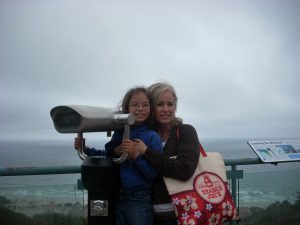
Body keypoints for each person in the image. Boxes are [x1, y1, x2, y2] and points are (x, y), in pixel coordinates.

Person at [74, 86, 163, 225]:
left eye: (145, 105)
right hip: (117, 194)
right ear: (127, 108)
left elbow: (153, 174)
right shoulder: (119, 133)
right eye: (135, 105)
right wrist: (85, 149)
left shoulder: (152, 137)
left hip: (139, 198)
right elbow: (108, 156)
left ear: (150, 108)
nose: (140, 108)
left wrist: (135, 156)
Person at [121, 82, 200, 225]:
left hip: (180, 212)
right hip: (148, 212)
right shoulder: (146, 134)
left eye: (170, 104)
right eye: (160, 104)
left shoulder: (185, 131)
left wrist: (147, 152)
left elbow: (185, 169)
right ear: (152, 108)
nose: (166, 109)